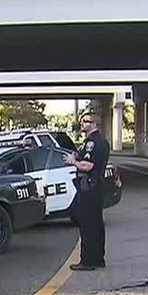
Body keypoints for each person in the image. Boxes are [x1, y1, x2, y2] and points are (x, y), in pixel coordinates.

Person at [64, 114, 110, 271]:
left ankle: (88, 260)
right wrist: (76, 155)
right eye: (82, 121)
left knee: (87, 224)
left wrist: (74, 162)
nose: (82, 123)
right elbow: (86, 156)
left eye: (86, 121)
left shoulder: (93, 143)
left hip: (89, 187)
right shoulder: (96, 142)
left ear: (94, 124)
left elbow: (88, 165)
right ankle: (98, 258)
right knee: (96, 223)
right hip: (95, 187)